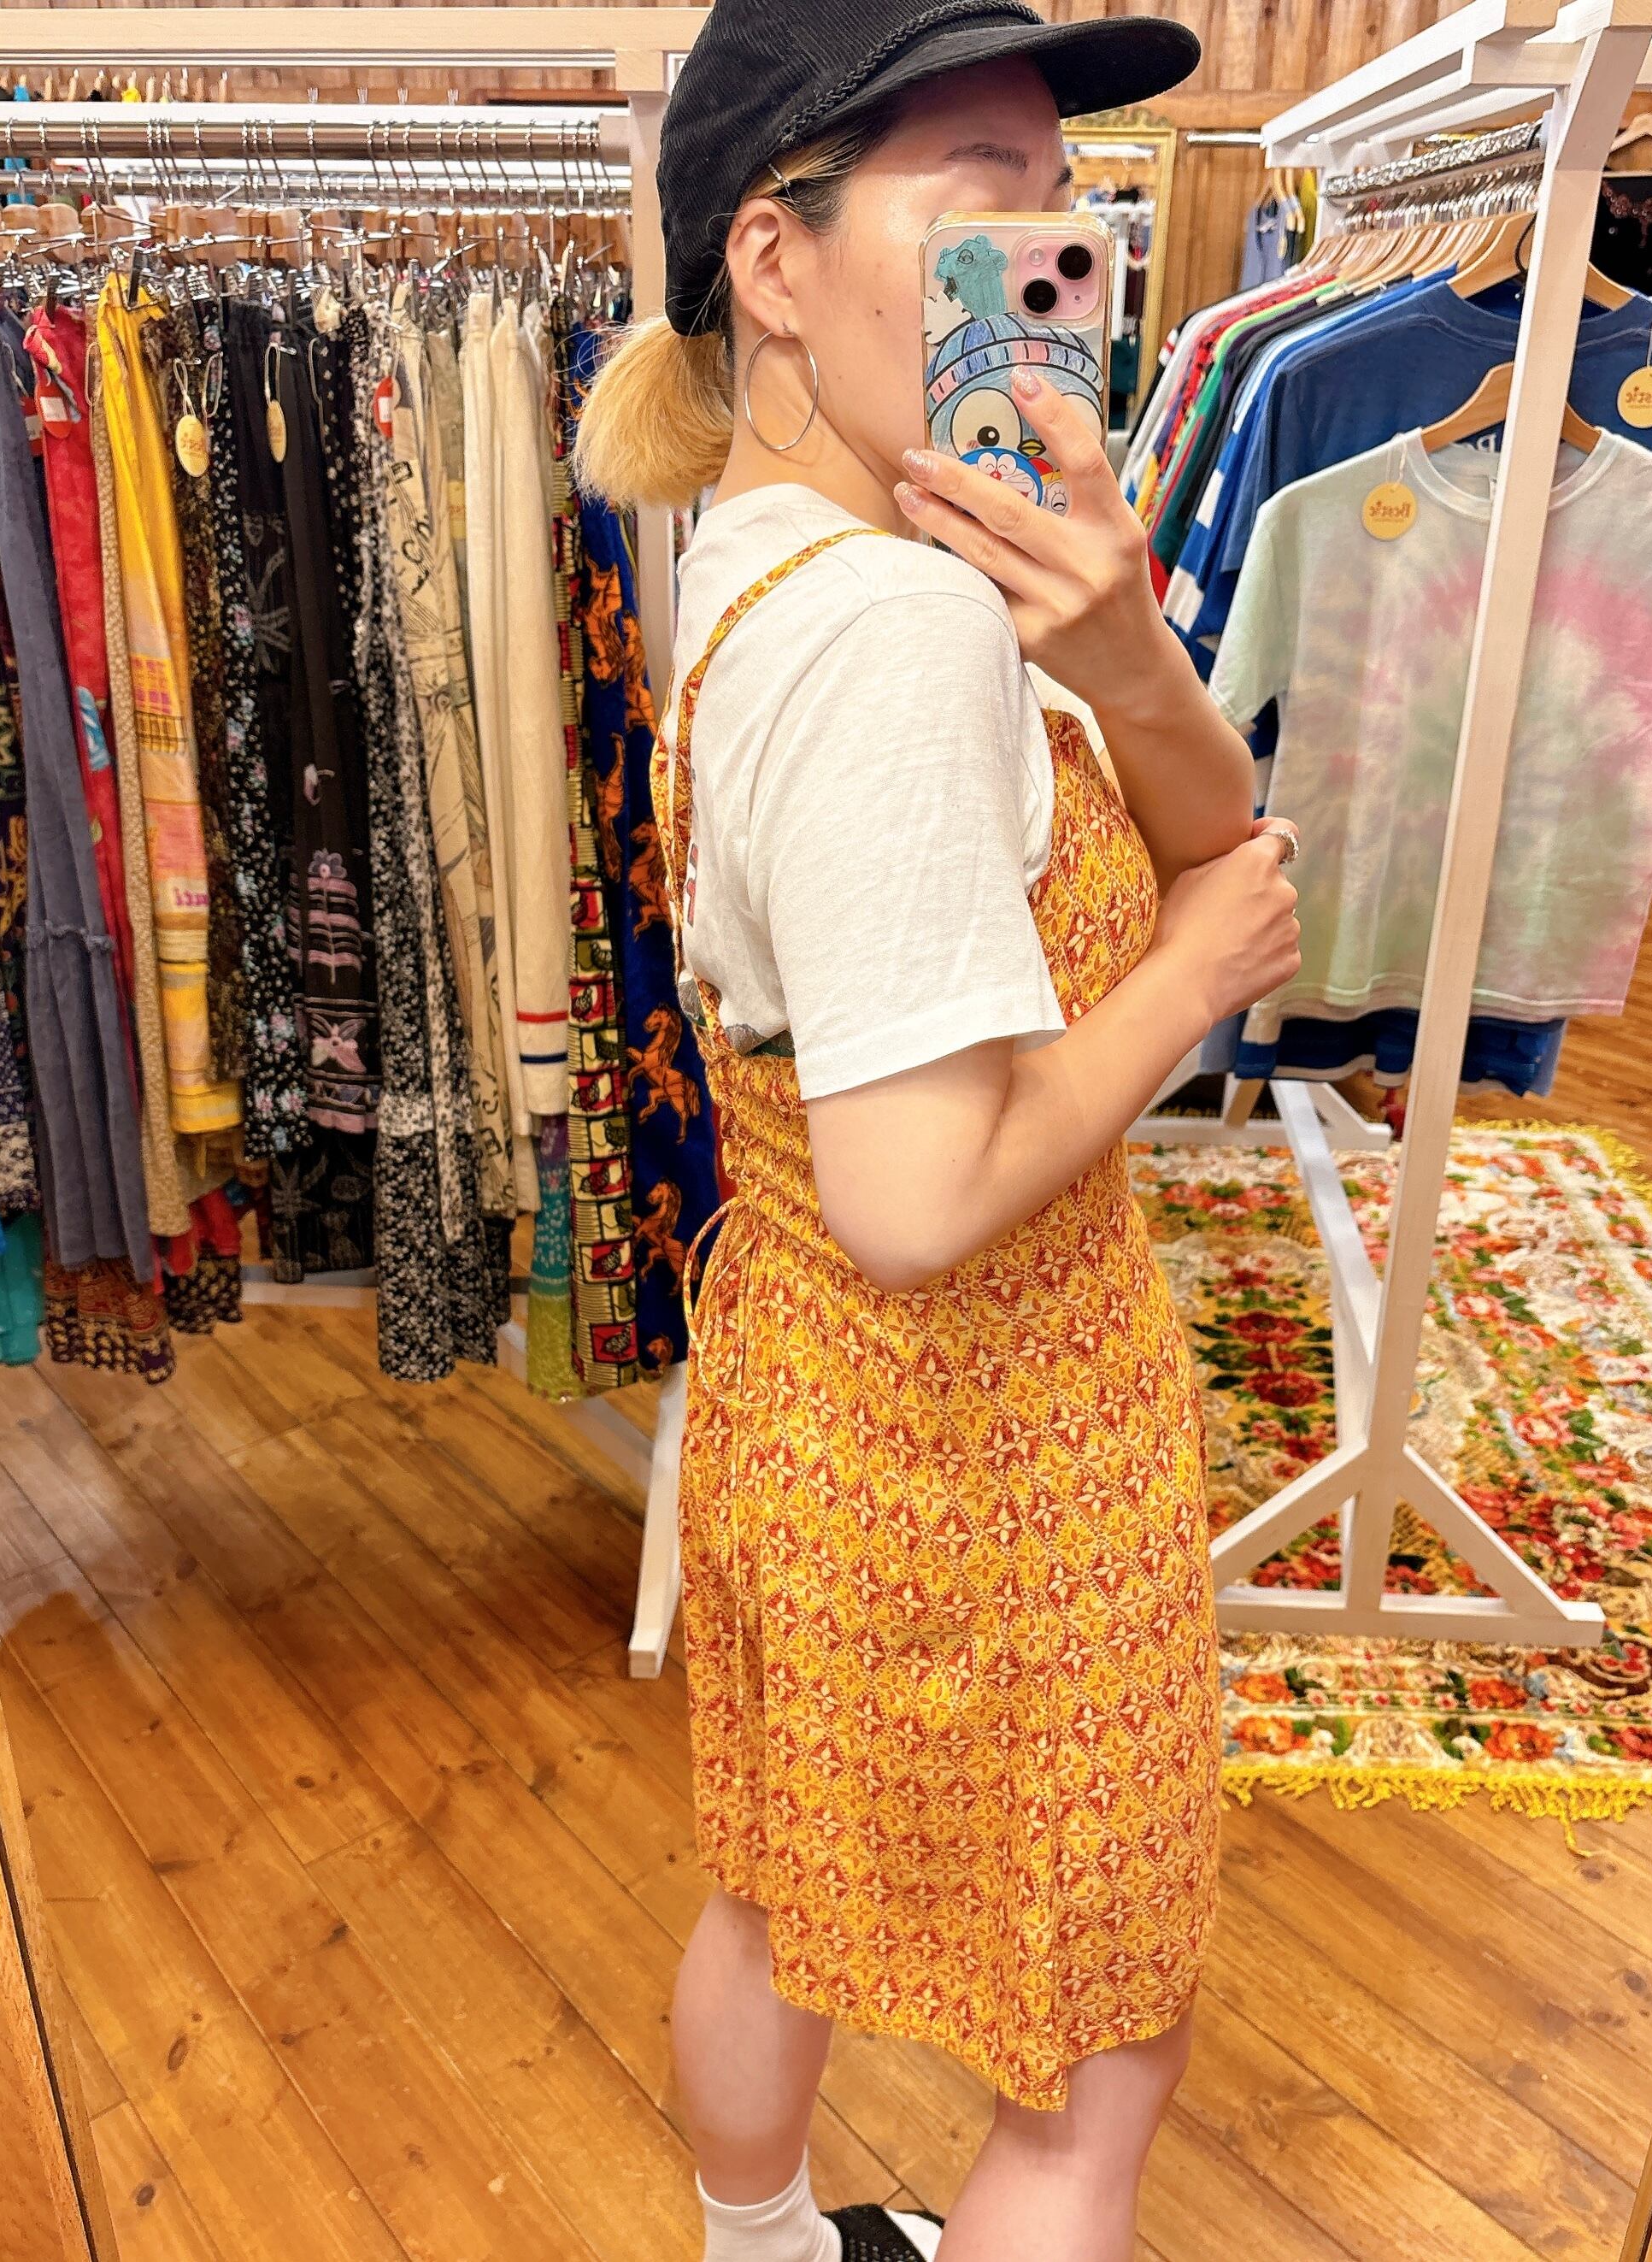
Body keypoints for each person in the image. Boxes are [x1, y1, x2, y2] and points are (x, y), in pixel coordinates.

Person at [575, 5, 1301, 2257]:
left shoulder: (784, 550)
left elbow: (1211, 833)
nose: (1051, 256)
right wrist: (1187, 979)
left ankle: (763, 2247)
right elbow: (916, 1196)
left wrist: (1124, 652)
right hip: (987, 1436)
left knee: (779, 1891)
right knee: (1099, 2050)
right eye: (981, 200)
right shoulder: (895, 628)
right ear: (773, 262)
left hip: (809, 1401)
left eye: (1063, 205)